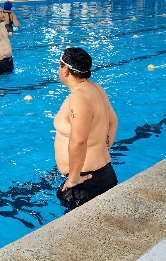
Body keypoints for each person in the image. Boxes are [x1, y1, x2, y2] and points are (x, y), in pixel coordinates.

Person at [54, 47, 118, 209]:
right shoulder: (96, 88)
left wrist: (74, 178)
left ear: (66, 70)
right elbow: (113, 121)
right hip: (103, 173)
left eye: (59, 66)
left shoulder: (79, 97)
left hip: (85, 183)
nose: (58, 69)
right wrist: (103, 149)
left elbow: (79, 140)